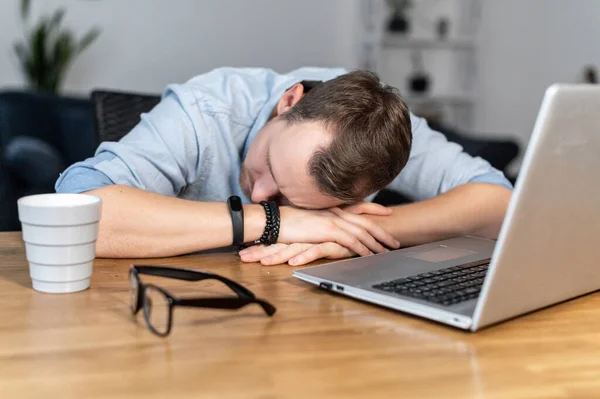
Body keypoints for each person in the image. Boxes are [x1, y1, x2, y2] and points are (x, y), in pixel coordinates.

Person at [55, 67, 512, 266]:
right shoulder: (208, 107)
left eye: (292, 198)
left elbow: (500, 204)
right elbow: (72, 212)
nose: (259, 190)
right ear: (289, 102)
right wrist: (274, 220)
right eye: (269, 163)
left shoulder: (379, 129)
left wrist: (347, 231)